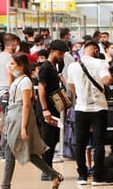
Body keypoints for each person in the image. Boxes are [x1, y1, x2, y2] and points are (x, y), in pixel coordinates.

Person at [1, 54, 63, 189]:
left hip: (19, 117)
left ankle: (5, 185)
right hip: (12, 116)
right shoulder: (18, 80)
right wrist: (9, 75)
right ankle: (53, 174)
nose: (10, 67)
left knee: (11, 149)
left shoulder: (25, 82)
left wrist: (23, 127)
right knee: (27, 152)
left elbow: (26, 105)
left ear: (21, 66)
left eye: (12, 64)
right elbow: (12, 93)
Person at [67, 40, 113, 186]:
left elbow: (71, 86)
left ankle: (82, 176)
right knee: (98, 144)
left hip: (81, 108)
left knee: (80, 143)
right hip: (99, 108)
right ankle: (98, 177)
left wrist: (82, 95)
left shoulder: (73, 66)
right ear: (94, 50)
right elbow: (107, 81)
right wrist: (107, 77)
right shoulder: (101, 63)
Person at [36, 40, 68, 181]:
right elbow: (41, 88)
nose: (62, 56)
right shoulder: (45, 67)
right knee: (48, 139)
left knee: (54, 138)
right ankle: (46, 170)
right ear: (52, 51)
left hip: (53, 108)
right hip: (46, 108)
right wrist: (44, 109)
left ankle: (48, 169)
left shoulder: (54, 67)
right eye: (60, 53)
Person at [0, 33, 20, 159]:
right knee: (9, 123)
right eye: (16, 44)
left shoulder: (0, 57)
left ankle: (2, 150)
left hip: (1, 93)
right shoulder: (9, 58)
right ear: (12, 44)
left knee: (8, 122)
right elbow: (11, 74)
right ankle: (3, 151)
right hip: (7, 93)